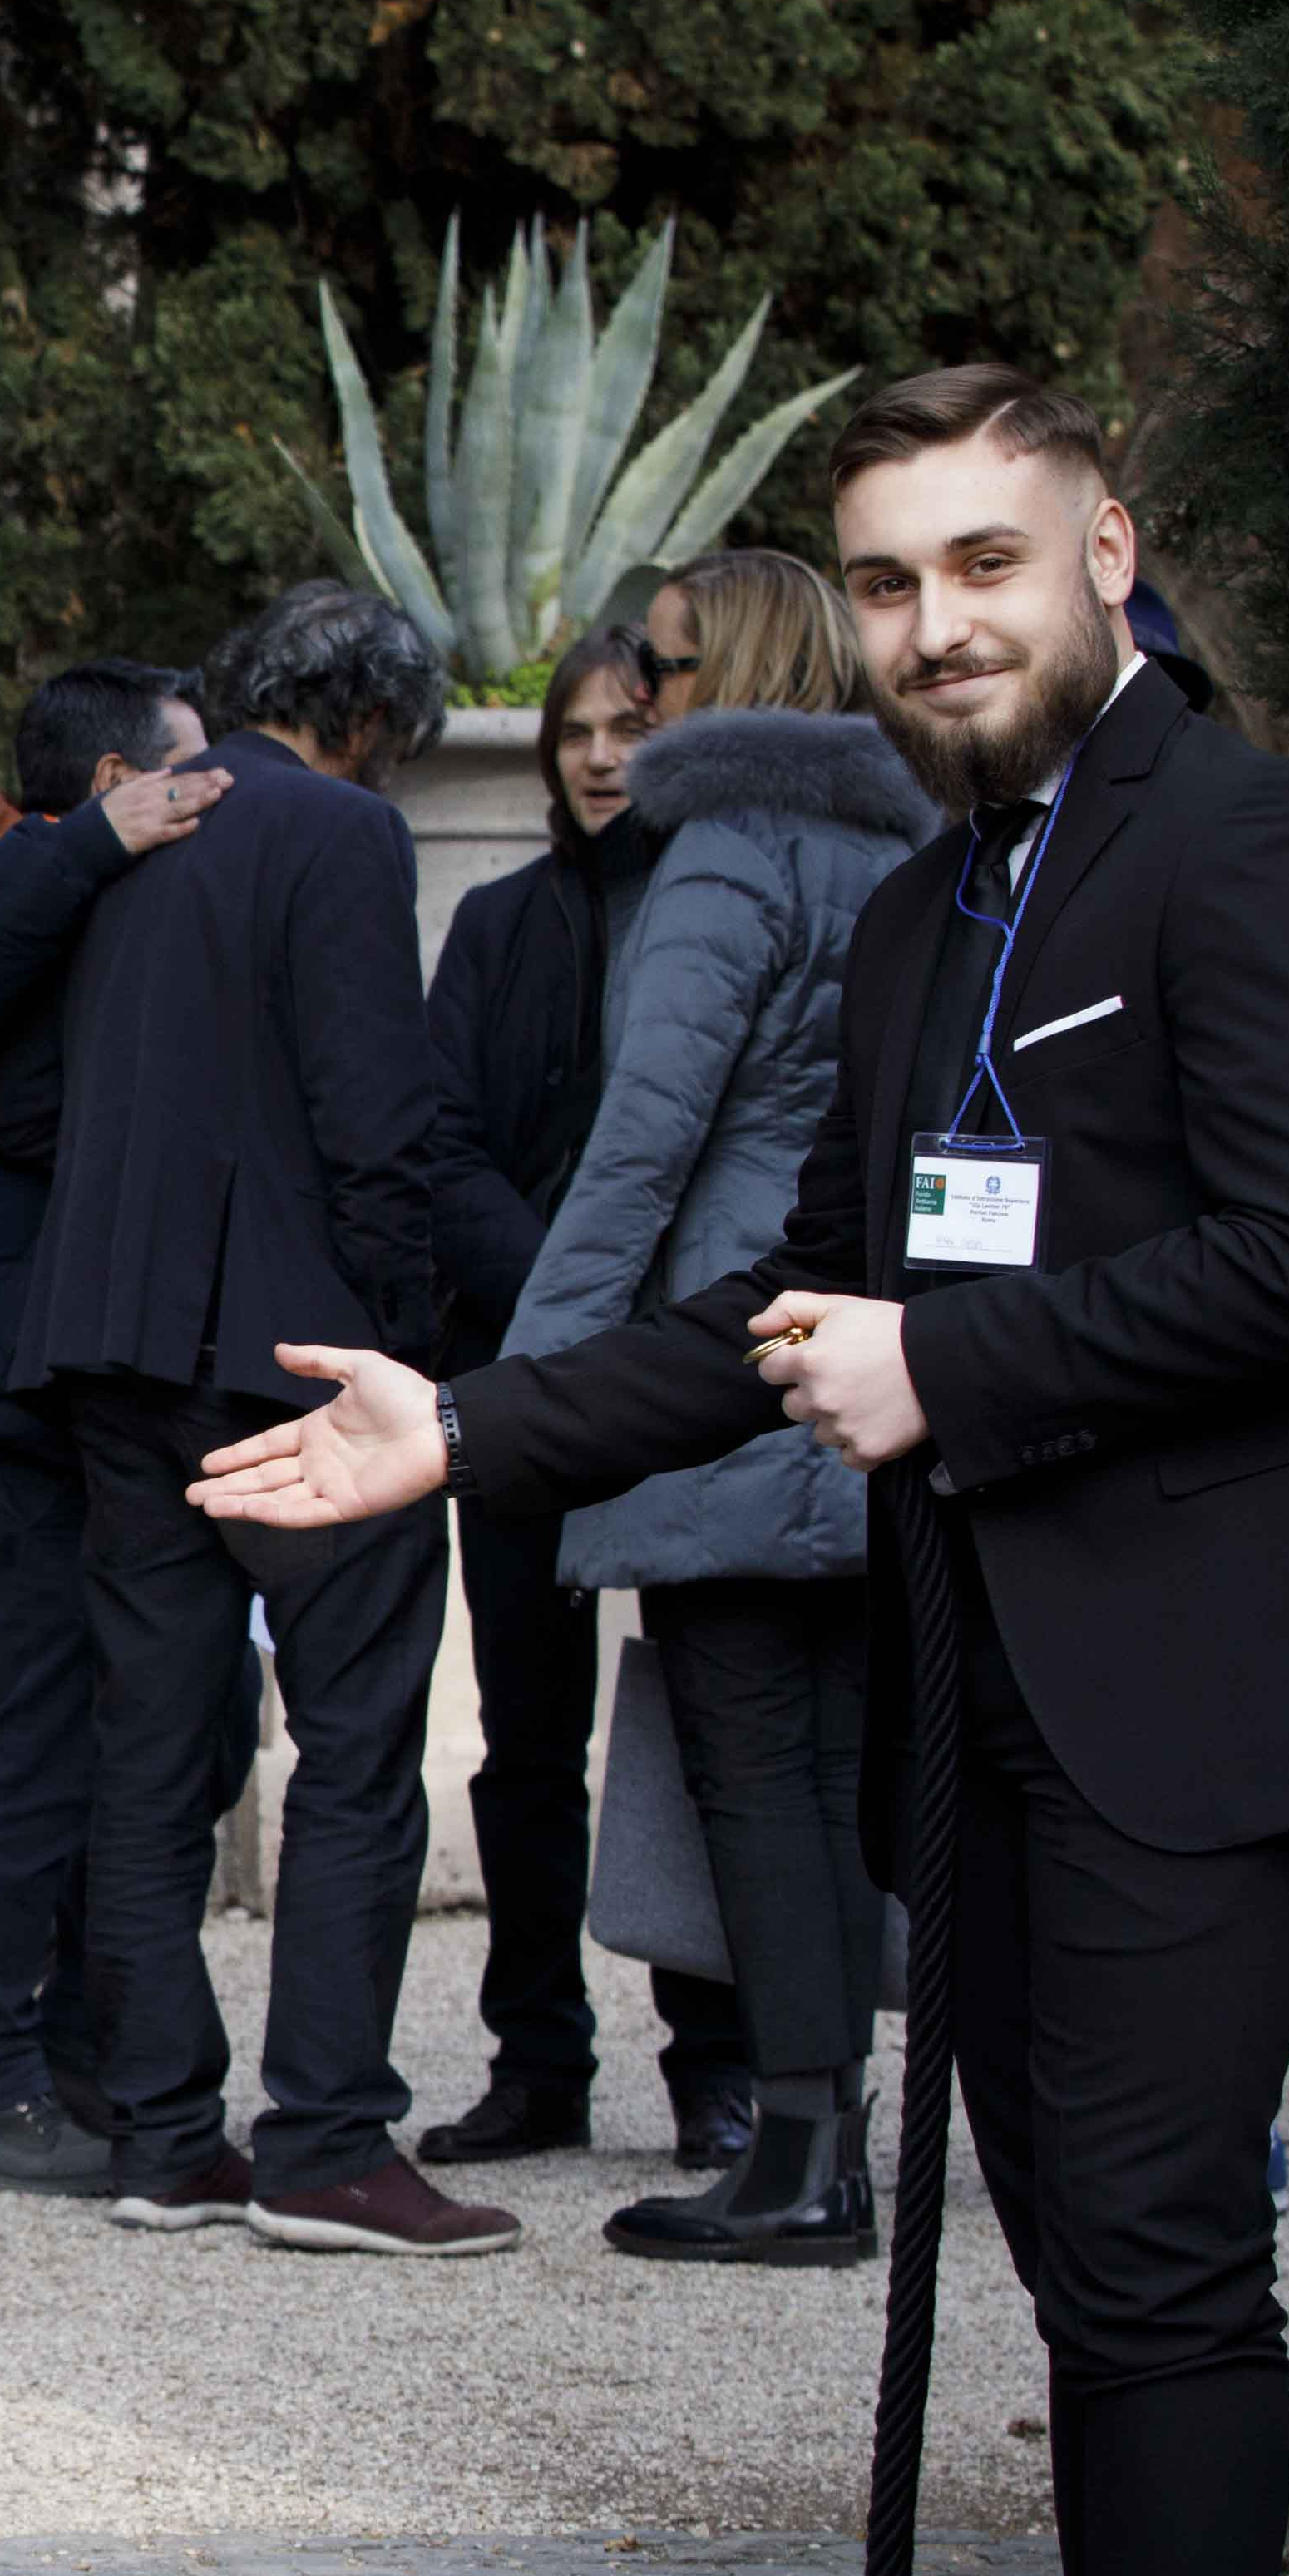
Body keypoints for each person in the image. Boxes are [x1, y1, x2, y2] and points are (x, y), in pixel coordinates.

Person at [190, 368, 1289, 2576]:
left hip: (1202, 1679)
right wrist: (467, 1428)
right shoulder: (930, 905)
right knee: (1098, 2292)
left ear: (1106, 550)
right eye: (887, 583)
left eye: (984, 564)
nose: (933, 628)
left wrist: (955, 1356)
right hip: (989, 1678)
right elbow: (782, 1300)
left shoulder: (1249, 844)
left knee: (1148, 2277)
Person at [7, 580, 499, 2255]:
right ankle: (326, 2142)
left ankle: (158, 2130)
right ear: (371, 723)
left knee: (151, 1742)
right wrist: (411, 1341)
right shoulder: (340, 834)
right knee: (355, 1739)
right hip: (288, 1345)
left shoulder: (149, 836)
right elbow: (378, 1116)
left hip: (111, 1336)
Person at [503, 549, 935, 2263]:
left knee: (751, 1763)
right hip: (869, 1345)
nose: (641, 691)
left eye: (664, 663)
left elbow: (637, 1146)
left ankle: (799, 2156)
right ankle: (829, 2141)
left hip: (719, 1357)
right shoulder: (900, 845)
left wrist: (533, 1395)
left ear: (731, 670)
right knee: (830, 1766)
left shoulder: (720, 857)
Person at [0, 670, 234, 2185]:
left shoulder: (118, 902)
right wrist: (91, 846)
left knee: (139, 1729)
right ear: (115, 775)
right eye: (189, 771)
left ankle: (76, 2057)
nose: (217, 793)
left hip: (73, 1387)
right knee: (32, 1725)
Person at [418, 624, 763, 2174]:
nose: (605, 756)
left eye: (632, 725)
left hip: (696, 1366)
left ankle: (721, 2064)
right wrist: (563, 1295)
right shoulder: (499, 924)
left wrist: (648, 1312)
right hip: (524, 1367)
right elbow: (442, 1145)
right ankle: (538, 2055)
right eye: (578, 733)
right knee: (525, 1735)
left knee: (713, 1719)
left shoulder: (723, 905)